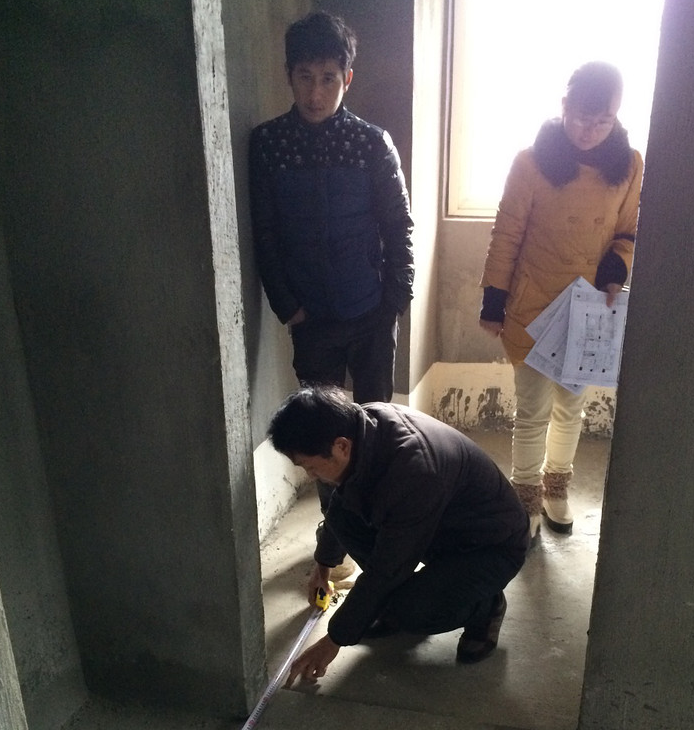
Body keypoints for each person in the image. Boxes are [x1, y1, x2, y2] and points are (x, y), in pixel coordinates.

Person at [249, 11, 415, 581]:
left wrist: (395, 297)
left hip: (371, 312)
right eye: (304, 77)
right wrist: (287, 305)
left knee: (374, 425)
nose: (316, 92)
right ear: (289, 76)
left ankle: (378, 530)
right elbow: (265, 234)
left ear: (347, 77)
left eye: (327, 78)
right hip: (311, 319)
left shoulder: (371, 143)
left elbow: (398, 225)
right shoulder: (269, 144)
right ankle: (335, 541)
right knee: (322, 433)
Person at [478, 61, 643, 540]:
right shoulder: (531, 162)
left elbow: (628, 229)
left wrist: (615, 269)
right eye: (581, 118)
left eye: (603, 121)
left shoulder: (629, 163)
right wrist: (493, 301)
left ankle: (556, 486)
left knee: (571, 407)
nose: (589, 131)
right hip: (533, 304)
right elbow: (507, 233)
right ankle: (525, 495)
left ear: (616, 116)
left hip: (588, 307)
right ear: (564, 105)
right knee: (532, 409)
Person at [266, 386, 529, 686]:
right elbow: (341, 506)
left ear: (341, 446)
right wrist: (323, 566)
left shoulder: (414, 470)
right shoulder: (360, 427)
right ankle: (388, 603)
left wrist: (333, 639)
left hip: (491, 546)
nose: (311, 476)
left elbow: (387, 568)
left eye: (312, 467)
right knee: (342, 516)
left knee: (409, 611)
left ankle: (486, 606)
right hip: (442, 529)